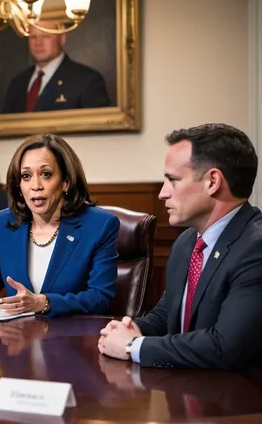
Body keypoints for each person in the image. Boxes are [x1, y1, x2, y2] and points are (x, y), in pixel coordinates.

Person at [98, 123, 262, 370]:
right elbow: (166, 316)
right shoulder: (187, 242)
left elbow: (225, 346)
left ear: (213, 181)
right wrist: (131, 328)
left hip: (239, 401)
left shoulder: (255, 247)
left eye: (172, 180)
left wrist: (133, 346)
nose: (162, 193)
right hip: (185, 393)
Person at [0, 133, 120, 318]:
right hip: (16, 340)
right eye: (26, 176)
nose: (36, 185)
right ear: (19, 185)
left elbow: (101, 298)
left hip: (71, 339)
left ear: (66, 182)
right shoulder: (6, 223)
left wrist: (44, 303)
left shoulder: (99, 225)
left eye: (46, 174)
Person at [1, 21, 111, 114]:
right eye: (33, 37)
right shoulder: (17, 84)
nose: (38, 43)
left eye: (46, 36)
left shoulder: (87, 81)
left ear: (62, 38)